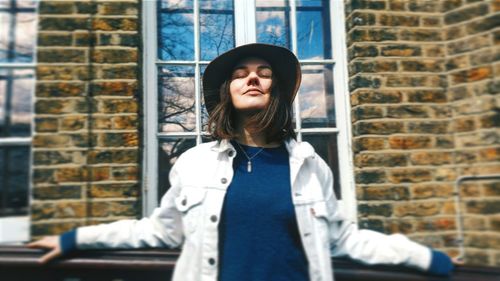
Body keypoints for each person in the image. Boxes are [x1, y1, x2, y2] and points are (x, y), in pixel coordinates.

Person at [28, 43, 458, 281]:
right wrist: (74, 239)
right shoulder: (193, 164)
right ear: (228, 92)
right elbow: (158, 231)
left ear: (276, 90)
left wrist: (424, 259)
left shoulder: (311, 167)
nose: (252, 77)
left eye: (264, 72)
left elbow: (344, 240)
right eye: (240, 73)